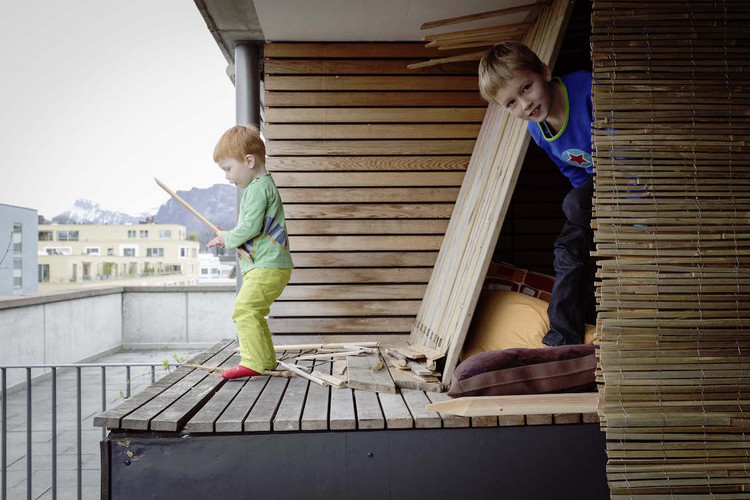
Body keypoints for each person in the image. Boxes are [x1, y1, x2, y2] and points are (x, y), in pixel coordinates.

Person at [478, 41, 595, 346]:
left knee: (574, 205)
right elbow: (573, 173)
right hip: (598, 195)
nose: (525, 104)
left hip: (631, 182)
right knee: (567, 250)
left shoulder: (585, 88)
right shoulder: (538, 132)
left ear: (544, 72)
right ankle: (562, 339)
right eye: (511, 103)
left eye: (526, 88)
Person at [207, 125, 294, 378]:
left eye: (228, 169)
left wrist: (229, 237)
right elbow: (253, 229)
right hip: (270, 266)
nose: (227, 176)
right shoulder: (262, 187)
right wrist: (228, 238)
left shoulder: (257, 188)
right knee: (255, 312)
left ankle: (252, 361)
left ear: (248, 160)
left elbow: (249, 227)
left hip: (267, 267)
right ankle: (266, 361)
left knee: (243, 309)